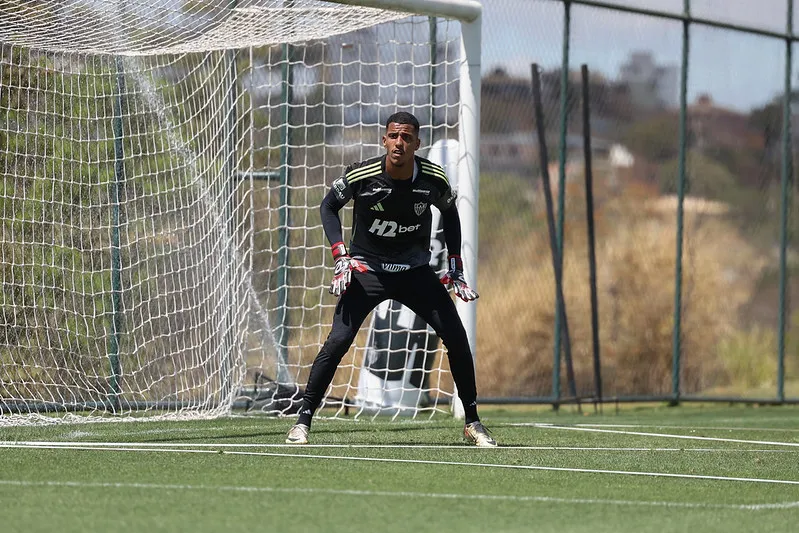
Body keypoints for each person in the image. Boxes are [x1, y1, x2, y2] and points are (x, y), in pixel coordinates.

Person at [285, 111, 496, 447]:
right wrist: (341, 253)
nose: (400, 143)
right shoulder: (363, 175)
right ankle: (303, 420)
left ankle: (472, 422)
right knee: (338, 341)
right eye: (394, 136)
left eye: (407, 137)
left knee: (456, 337)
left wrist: (454, 264)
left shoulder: (433, 178)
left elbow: (451, 213)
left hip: (415, 273)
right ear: (384, 140)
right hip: (367, 271)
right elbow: (328, 207)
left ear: (417, 143)